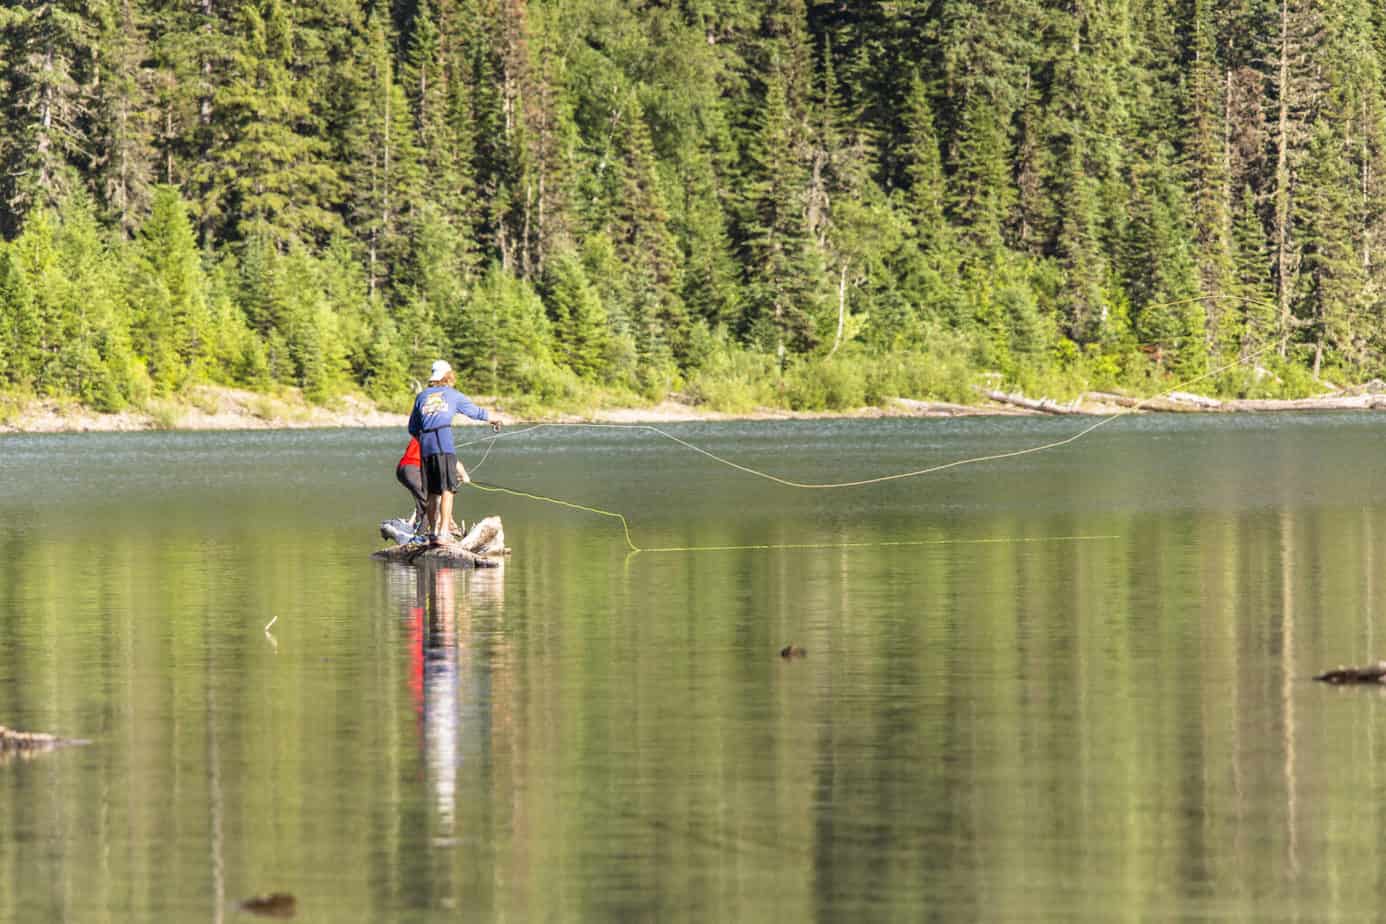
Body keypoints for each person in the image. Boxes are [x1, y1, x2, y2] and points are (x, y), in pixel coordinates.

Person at [407, 360, 501, 545]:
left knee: (432, 493)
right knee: (447, 490)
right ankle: (443, 533)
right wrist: (494, 419)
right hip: (443, 443)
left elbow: (412, 428)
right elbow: (474, 412)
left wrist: (426, 440)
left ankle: (433, 534)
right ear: (448, 376)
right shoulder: (452, 395)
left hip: (426, 447)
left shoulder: (421, 396)